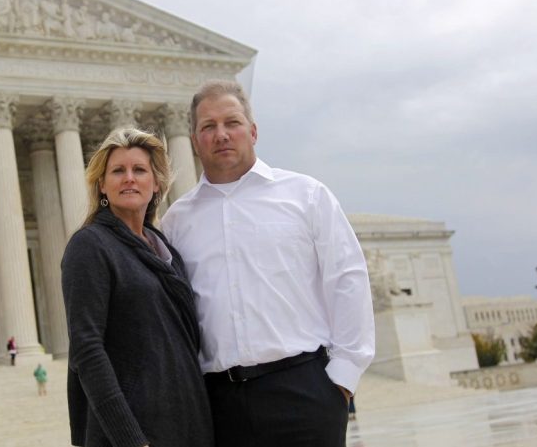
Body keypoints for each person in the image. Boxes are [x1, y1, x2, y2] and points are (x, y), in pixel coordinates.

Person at [162, 80, 375, 447]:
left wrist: (342, 379)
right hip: (220, 402)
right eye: (208, 127)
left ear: (254, 131)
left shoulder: (306, 196)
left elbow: (347, 280)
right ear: (195, 141)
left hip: (304, 392)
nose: (221, 135)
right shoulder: (177, 222)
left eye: (232, 123)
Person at [62, 128, 213, 447]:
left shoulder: (168, 252)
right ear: (102, 184)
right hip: (133, 434)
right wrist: (130, 440)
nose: (129, 178)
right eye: (117, 171)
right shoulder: (89, 245)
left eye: (139, 170)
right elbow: (87, 349)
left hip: (187, 426)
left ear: (156, 183)